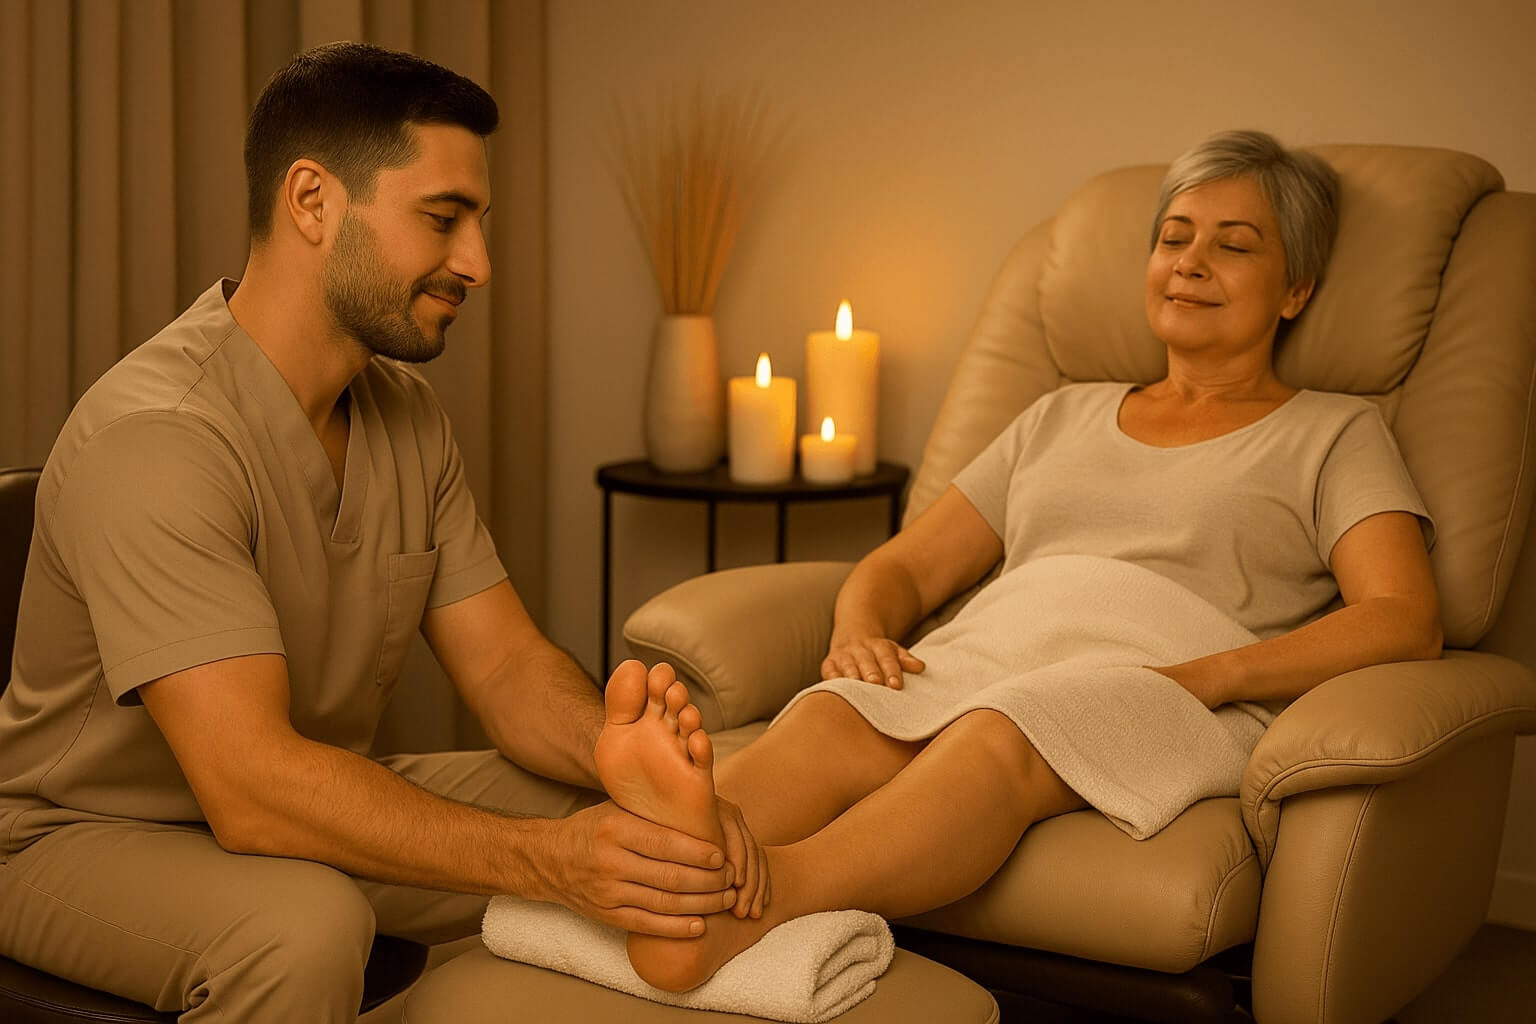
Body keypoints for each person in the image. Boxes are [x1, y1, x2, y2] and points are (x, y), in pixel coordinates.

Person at [0, 42, 763, 1022]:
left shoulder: (404, 414)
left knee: (629, 829)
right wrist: (550, 863)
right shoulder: (157, 436)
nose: (478, 263)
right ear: (312, 202)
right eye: (443, 219)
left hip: (298, 802)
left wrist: (611, 752)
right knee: (302, 927)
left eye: (479, 223)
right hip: (76, 837)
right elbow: (250, 784)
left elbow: (505, 668)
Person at [585, 130, 1444, 993]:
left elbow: (1404, 615)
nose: (1190, 262)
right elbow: (904, 569)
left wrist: (1214, 676)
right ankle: (654, 864)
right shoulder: (1059, 416)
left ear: (1295, 290)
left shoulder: (1332, 432)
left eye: (1235, 245)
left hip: (1168, 683)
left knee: (1000, 732)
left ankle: (762, 903)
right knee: (835, 717)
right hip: (997, 654)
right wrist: (858, 632)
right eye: (1173, 237)